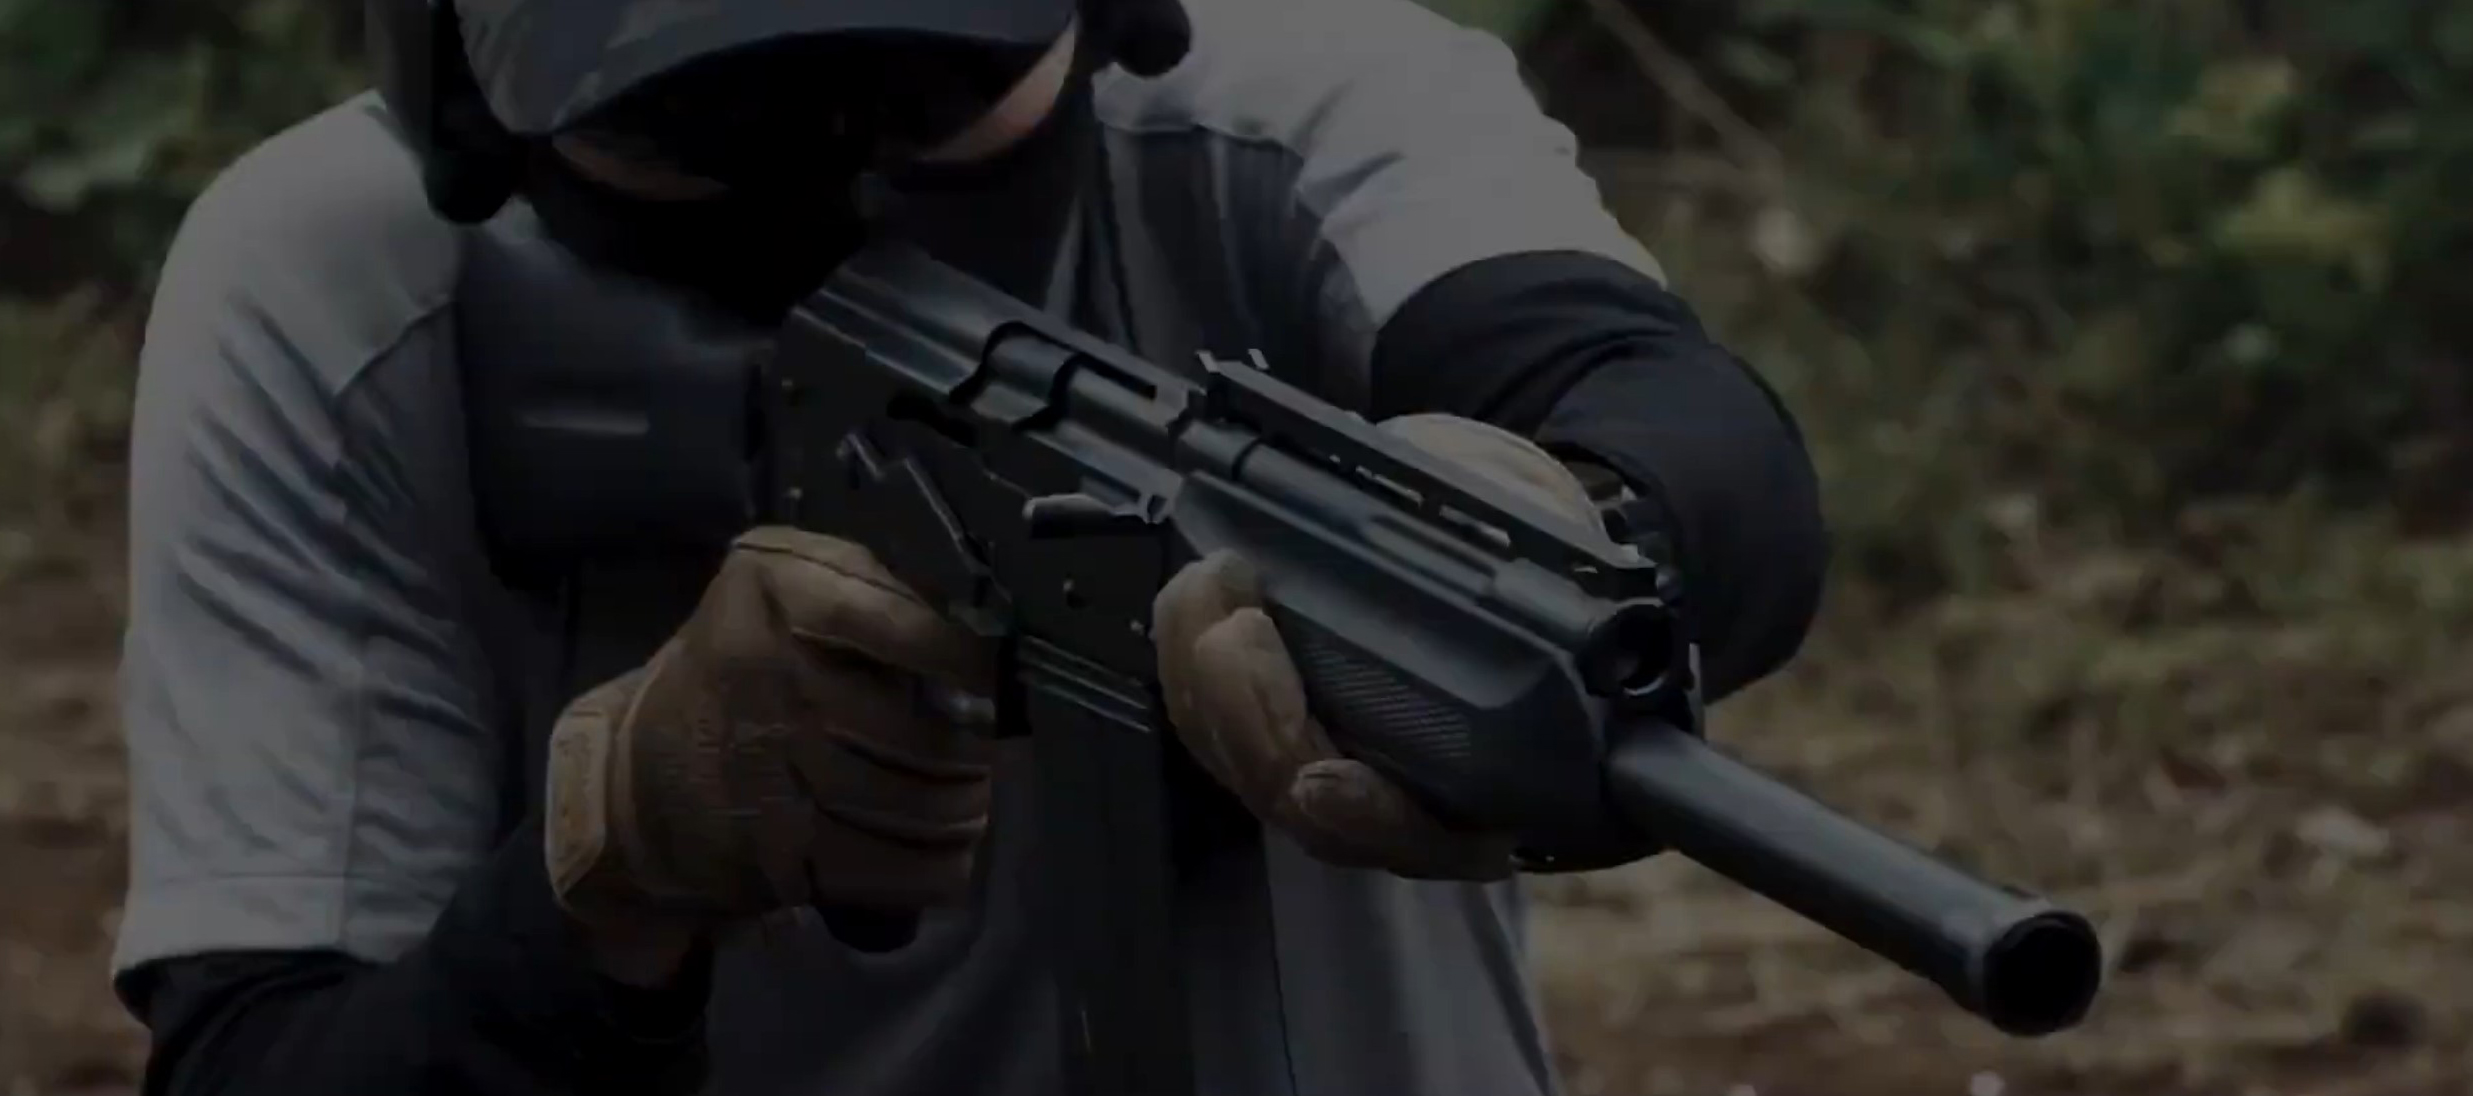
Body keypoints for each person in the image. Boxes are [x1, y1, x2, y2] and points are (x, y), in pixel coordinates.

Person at [110, 0, 1827, 1093]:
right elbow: (265, 1059)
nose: (835, 159)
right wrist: (615, 861)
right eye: (690, 118)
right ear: (459, 84)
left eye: (933, 78)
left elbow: (1682, 432)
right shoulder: (340, 281)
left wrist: (1547, 526)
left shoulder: (1299, 106)